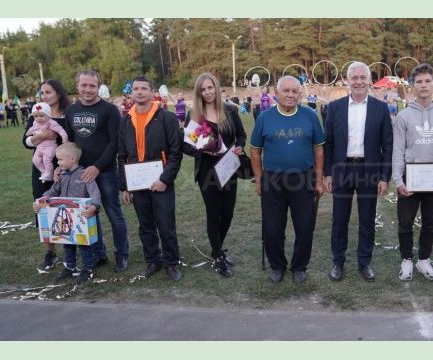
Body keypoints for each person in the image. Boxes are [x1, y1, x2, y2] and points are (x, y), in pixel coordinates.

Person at [250, 75, 325, 284]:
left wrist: (319, 180)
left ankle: (299, 266)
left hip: (303, 178)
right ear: (276, 93)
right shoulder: (265, 117)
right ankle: (277, 265)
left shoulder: (310, 115)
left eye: (295, 92)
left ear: (300, 94)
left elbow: (319, 149)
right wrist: (258, 180)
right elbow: (255, 152)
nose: (291, 95)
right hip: (273, 180)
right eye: (286, 91)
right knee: (273, 228)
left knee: (304, 226)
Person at [324, 61, 393, 282]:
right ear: (347, 80)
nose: (359, 81)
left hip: (369, 170)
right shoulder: (334, 108)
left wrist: (384, 177)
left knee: (367, 219)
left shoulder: (380, 108)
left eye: (363, 77)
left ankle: (364, 262)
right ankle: (338, 261)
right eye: (354, 77)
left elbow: (388, 145)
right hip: (342, 170)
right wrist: (327, 173)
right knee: (339, 219)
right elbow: (329, 144)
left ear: (370, 80)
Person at [391, 63, 433, 282]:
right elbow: (398, 150)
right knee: (405, 222)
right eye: (419, 81)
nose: (424, 85)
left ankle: (424, 260)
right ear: (413, 85)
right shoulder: (404, 116)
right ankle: (407, 259)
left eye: (428, 81)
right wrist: (398, 180)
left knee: (430, 222)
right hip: (410, 178)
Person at [118, 76, 183, 281]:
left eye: (143, 88)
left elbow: (175, 152)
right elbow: (121, 156)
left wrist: (165, 179)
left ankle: (171, 262)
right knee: (145, 225)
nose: (139, 92)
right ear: (131, 92)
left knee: (165, 224)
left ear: (151, 91)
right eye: (135, 88)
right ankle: (153, 260)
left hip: (161, 181)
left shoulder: (166, 118)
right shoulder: (125, 120)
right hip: (137, 182)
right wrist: (124, 187)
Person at [181, 73, 247, 277]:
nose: (208, 92)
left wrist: (238, 147)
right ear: (198, 92)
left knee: (228, 213)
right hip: (207, 171)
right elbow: (184, 144)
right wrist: (201, 150)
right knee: (213, 212)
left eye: (210, 88)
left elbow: (241, 135)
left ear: (216, 88)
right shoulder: (194, 115)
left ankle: (217, 248)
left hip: (228, 168)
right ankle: (218, 256)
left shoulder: (229, 110)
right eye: (203, 89)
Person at [64, 69, 129, 273]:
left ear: (98, 86)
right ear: (77, 86)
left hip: (105, 171)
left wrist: (98, 167)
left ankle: (121, 255)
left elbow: (114, 142)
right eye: (84, 85)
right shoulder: (71, 111)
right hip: (81, 172)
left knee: (114, 214)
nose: (88, 89)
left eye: (92, 85)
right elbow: (71, 141)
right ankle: (99, 253)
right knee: (89, 215)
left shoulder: (109, 110)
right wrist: (67, 167)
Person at [34, 143, 102, 284]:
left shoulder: (85, 175)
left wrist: (93, 207)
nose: (57, 163)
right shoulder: (62, 176)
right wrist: (40, 201)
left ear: (72, 159)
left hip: (81, 218)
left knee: (84, 245)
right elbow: (52, 192)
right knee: (67, 243)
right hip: (64, 217)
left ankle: (87, 269)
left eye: (60, 159)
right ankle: (69, 267)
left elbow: (95, 194)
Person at [23, 79, 72, 270]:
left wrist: (65, 164)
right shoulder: (36, 114)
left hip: (64, 169)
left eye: (48, 92)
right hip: (41, 171)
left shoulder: (68, 115)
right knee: (43, 207)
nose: (45, 96)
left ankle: (72, 251)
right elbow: (25, 141)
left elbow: (72, 139)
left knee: (66, 209)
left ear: (58, 94)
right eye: (42, 93)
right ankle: (50, 253)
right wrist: (42, 136)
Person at [26, 102, 69, 182]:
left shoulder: (51, 123)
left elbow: (60, 130)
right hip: (39, 147)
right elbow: (32, 129)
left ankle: (49, 173)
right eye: (36, 116)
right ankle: (44, 172)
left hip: (50, 147)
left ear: (48, 115)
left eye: (41, 116)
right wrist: (28, 133)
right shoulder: (35, 122)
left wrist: (64, 138)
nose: (38, 118)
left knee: (46, 160)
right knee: (35, 160)